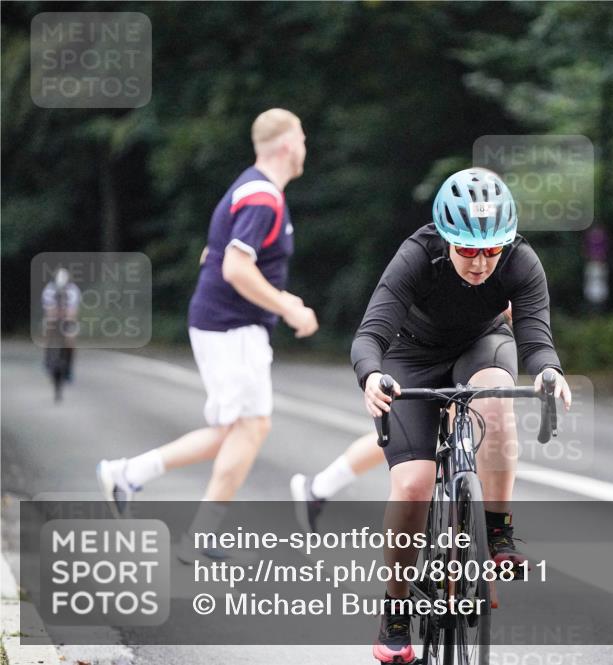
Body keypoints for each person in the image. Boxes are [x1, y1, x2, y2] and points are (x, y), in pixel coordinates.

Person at [350, 168, 571, 664]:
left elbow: (535, 335)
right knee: (412, 485)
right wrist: (371, 377)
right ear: (447, 239)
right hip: (412, 355)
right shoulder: (416, 255)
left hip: (481, 345)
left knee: (495, 396)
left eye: (491, 250)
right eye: (468, 250)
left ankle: (497, 532)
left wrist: (549, 372)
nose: (480, 262)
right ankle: (396, 611)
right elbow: (370, 335)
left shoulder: (520, 261)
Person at [97, 108, 318, 562]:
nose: (305, 147)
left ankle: (128, 475)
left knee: (234, 429)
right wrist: (288, 306)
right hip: (232, 327)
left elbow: (210, 254)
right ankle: (194, 530)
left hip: (226, 325)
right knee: (251, 426)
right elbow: (234, 266)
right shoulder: (262, 197)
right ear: (285, 145)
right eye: (301, 138)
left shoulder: (251, 189)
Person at [289, 304, 513, 534]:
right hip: (419, 338)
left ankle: (318, 487)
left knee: (454, 414)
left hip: (465, 339)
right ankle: (319, 487)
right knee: (414, 436)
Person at [41, 267, 81, 400]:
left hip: (67, 319)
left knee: (71, 340)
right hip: (53, 318)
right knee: (47, 333)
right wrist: (53, 319)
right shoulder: (49, 289)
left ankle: (69, 368)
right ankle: (47, 361)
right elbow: (48, 310)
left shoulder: (73, 290)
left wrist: (68, 318)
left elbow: (73, 311)